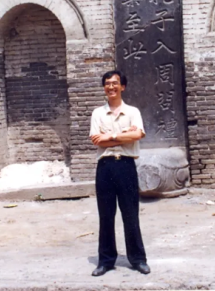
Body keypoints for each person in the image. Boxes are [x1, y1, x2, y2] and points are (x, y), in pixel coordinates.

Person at [89, 70, 151, 277]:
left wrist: (111, 136)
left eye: (115, 83)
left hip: (126, 166)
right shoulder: (97, 113)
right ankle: (105, 261)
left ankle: (138, 259)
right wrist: (124, 135)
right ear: (104, 87)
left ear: (122, 87)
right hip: (105, 167)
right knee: (106, 216)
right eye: (107, 83)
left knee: (130, 214)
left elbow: (138, 135)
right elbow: (97, 140)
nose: (111, 87)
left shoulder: (133, 112)